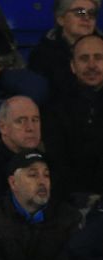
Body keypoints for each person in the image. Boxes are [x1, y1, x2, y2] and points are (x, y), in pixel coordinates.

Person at [43, 33, 103, 205]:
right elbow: (57, 163)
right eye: (84, 59)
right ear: (73, 66)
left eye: (98, 58)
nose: (92, 65)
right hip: (71, 202)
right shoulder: (54, 108)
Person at [28, 0, 100, 97]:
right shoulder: (41, 55)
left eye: (92, 13)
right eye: (79, 12)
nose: (86, 17)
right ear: (61, 19)